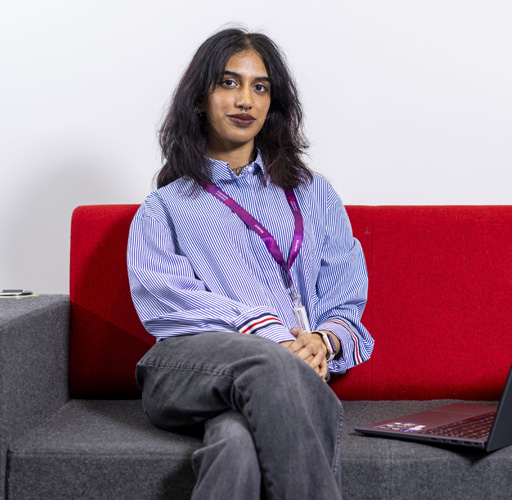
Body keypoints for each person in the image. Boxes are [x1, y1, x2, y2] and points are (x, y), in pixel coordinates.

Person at [127, 27, 374, 500]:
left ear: (272, 103)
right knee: (271, 363)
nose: (245, 100)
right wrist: (273, 337)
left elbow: (346, 291)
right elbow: (168, 304)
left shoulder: (314, 193)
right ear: (200, 99)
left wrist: (322, 341)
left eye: (259, 87)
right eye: (228, 83)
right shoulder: (165, 207)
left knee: (236, 442)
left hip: (280, 382)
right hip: (185, 370)